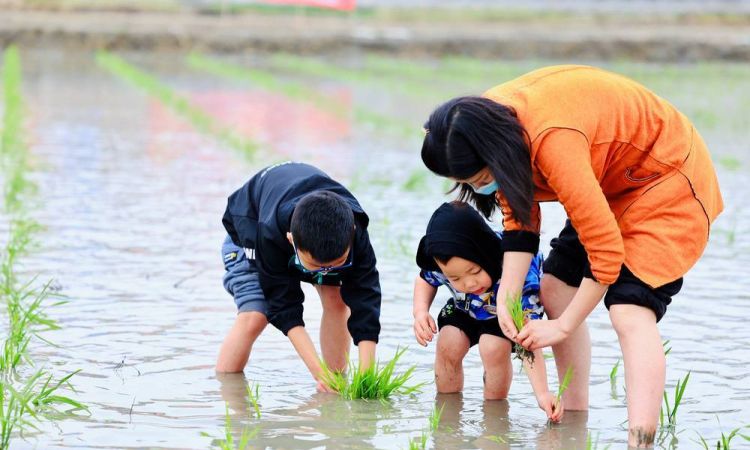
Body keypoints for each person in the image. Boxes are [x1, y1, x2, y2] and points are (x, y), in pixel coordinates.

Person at [419, 65, 723, 447]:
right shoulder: (481, 122)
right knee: (555, 287)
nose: (474, 189)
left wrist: (560, 328)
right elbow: (520, 215)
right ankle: (573, 423)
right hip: (611, 180)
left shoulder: (551, 139)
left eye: (477, 181)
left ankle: (640, 441)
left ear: (494, 154)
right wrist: (507, 292)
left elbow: (605, 253)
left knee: (629, 310)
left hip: (666, 178)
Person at [216, 161, 381, 392]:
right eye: (315, 266)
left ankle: (337, 383)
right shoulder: (269, 234)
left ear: (352, 234)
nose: (325, 273)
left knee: (337, 298)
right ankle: (228, 394)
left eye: (338, 263)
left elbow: (366, 298)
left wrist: (367, 375)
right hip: (250, 233)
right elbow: (284, 307)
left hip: (310, 232)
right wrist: (318, 373)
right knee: (255, 314)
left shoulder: (354, 230)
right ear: (291, 240)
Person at [413, 201, 562, 422]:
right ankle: (447, 413)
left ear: (484, 253)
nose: (469, 283)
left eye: (474, 271)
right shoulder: (446, 260)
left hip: (506, 311)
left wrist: (542, 393)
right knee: (448, 343)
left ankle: (494, 414)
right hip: (466, 307)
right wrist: (420, 311)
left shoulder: (514, 265)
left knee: (492, 347)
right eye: (455, 279)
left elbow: (527, 334)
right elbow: (425, 279)